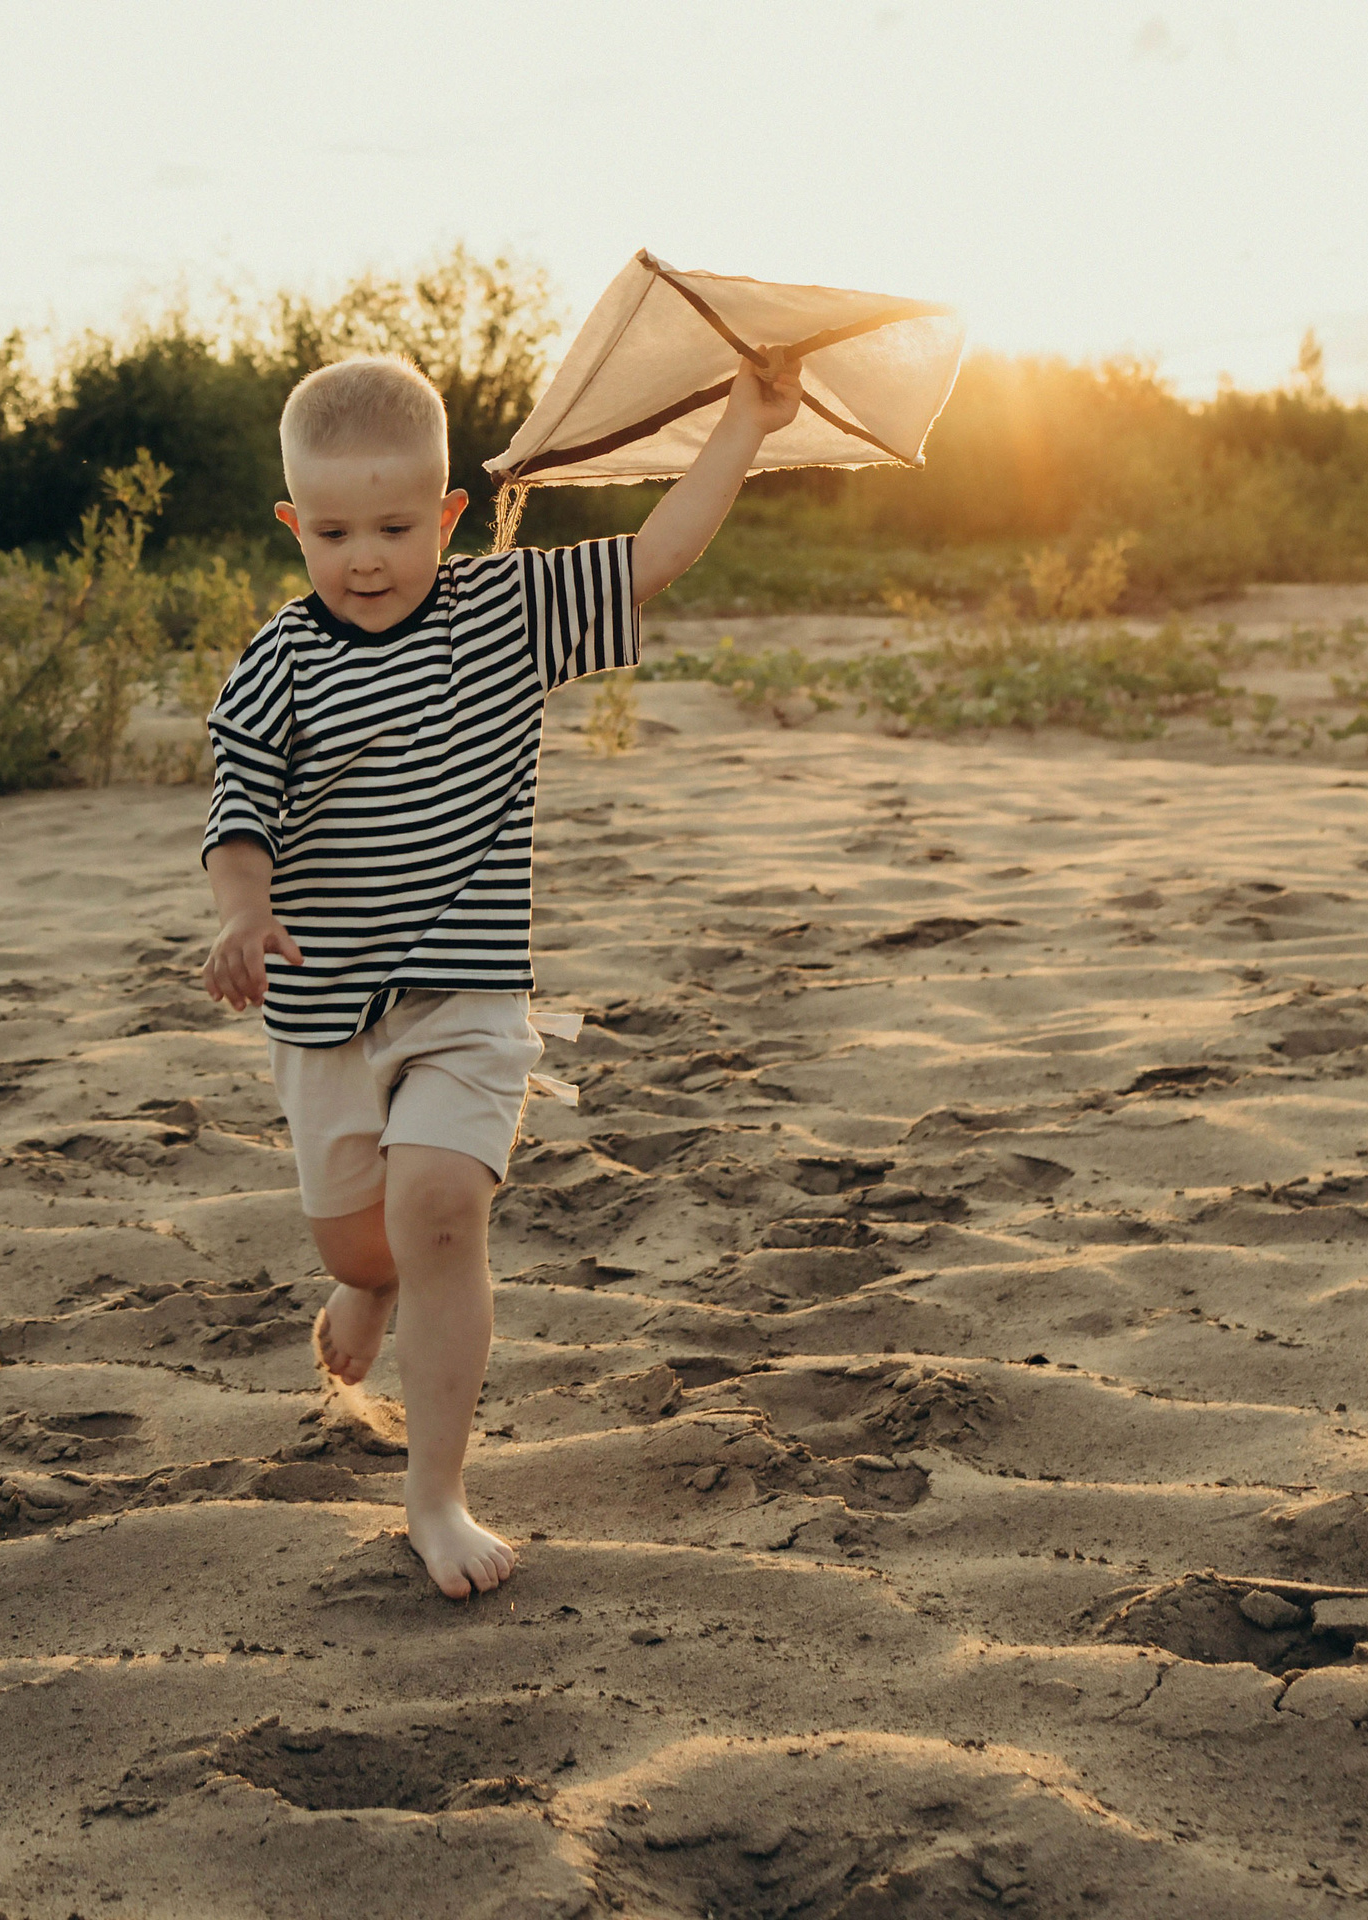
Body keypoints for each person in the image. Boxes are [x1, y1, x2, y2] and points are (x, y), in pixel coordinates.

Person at [198, 351, 801, 1597]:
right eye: (333, 531)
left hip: (469, 1000)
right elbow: (239, 810)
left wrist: (743, 425)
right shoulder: (279, 664)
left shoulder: (503, 614)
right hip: (325, 1016)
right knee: (361, 1243)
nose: (365, 558)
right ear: (290, 523)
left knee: (439, 1216)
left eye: (397, 527)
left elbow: (652, 557)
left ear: (451, 516)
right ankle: (364, 1291)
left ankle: (435, 1493)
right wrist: (244, 916)